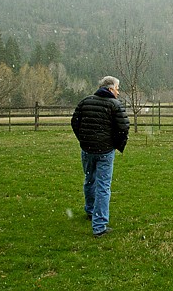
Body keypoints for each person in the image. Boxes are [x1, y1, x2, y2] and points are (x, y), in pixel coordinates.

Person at [71, 75, 130, 237]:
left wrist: (84, 139)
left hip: (87, 150)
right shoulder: (115, 105)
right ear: (110, 89)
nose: (118, 92)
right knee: (103, 186)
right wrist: (116, 144)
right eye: (117, 88)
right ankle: (99, 226)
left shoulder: (85, 101)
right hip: (105, 151)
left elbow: (75, 122)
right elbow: (123, 128)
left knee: (89, 180)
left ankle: (90, 211)